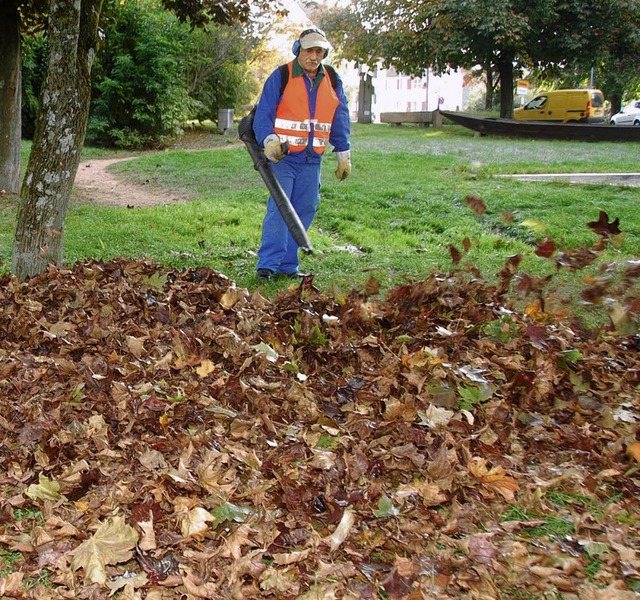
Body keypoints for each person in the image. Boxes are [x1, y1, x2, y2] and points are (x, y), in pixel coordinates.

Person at [252, 28, 351, 281]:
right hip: (284, 159)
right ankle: (268, 265)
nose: (313, 56)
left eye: (319, 51)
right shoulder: (282, 75)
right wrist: (269, 140)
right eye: (309, 50)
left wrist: (343, 154)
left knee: (305, 209)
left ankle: (288, 265)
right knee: (281, 209)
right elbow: (263, 113)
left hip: (312, 160)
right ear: (299, 50)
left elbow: (339, 117)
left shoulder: (333, 79)